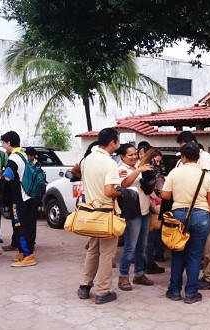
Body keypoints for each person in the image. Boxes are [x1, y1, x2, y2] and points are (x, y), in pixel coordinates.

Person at [161, 141, 210, 304]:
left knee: (178, 253)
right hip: (201, 216)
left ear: (184, 157)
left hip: (179, 215)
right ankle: (191, 293)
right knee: (195, 256)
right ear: (198, 157)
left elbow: (165, 195)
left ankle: (174, 291)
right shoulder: (206, 175)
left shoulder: (175, 172)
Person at [76, 128, 122, 304]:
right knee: (107, 254)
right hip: (106, 213)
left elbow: (77, 172)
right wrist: (123, 191)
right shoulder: (109, 163)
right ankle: (103, 291)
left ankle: (84, 286)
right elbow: (109, 191)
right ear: (112, 143)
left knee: (93, 250)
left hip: (91, 212)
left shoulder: (87, 160)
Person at [175, 131, 210, 291]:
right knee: (193, 249)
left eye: (183, 147)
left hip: (204, 209)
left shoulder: (205, 158)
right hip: (191, 210)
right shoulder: (185, 161)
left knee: (209, 246)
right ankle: (193, 278)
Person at [115, 144, 154, 291]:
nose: (134, 157)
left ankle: (139, 273)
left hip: (144, 211)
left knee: (141, 246)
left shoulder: (137, 167)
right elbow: (124, 185)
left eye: (135, 154)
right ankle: (123, 276)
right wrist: (139, 170)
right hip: (132, 213)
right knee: (130, 246)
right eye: (130, 155)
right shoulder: (121, 169)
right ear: (122, 157)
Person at [1, 131, 37, 267]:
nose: (4, 146)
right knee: (26, 225)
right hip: (29, 195)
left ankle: (28, 256)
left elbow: (8, 177)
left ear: (9, 142)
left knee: (20, 226)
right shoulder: (23, 154)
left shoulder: (14, 157)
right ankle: (23, 252)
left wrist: (1, 174)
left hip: (19, 198)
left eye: (4, 143)